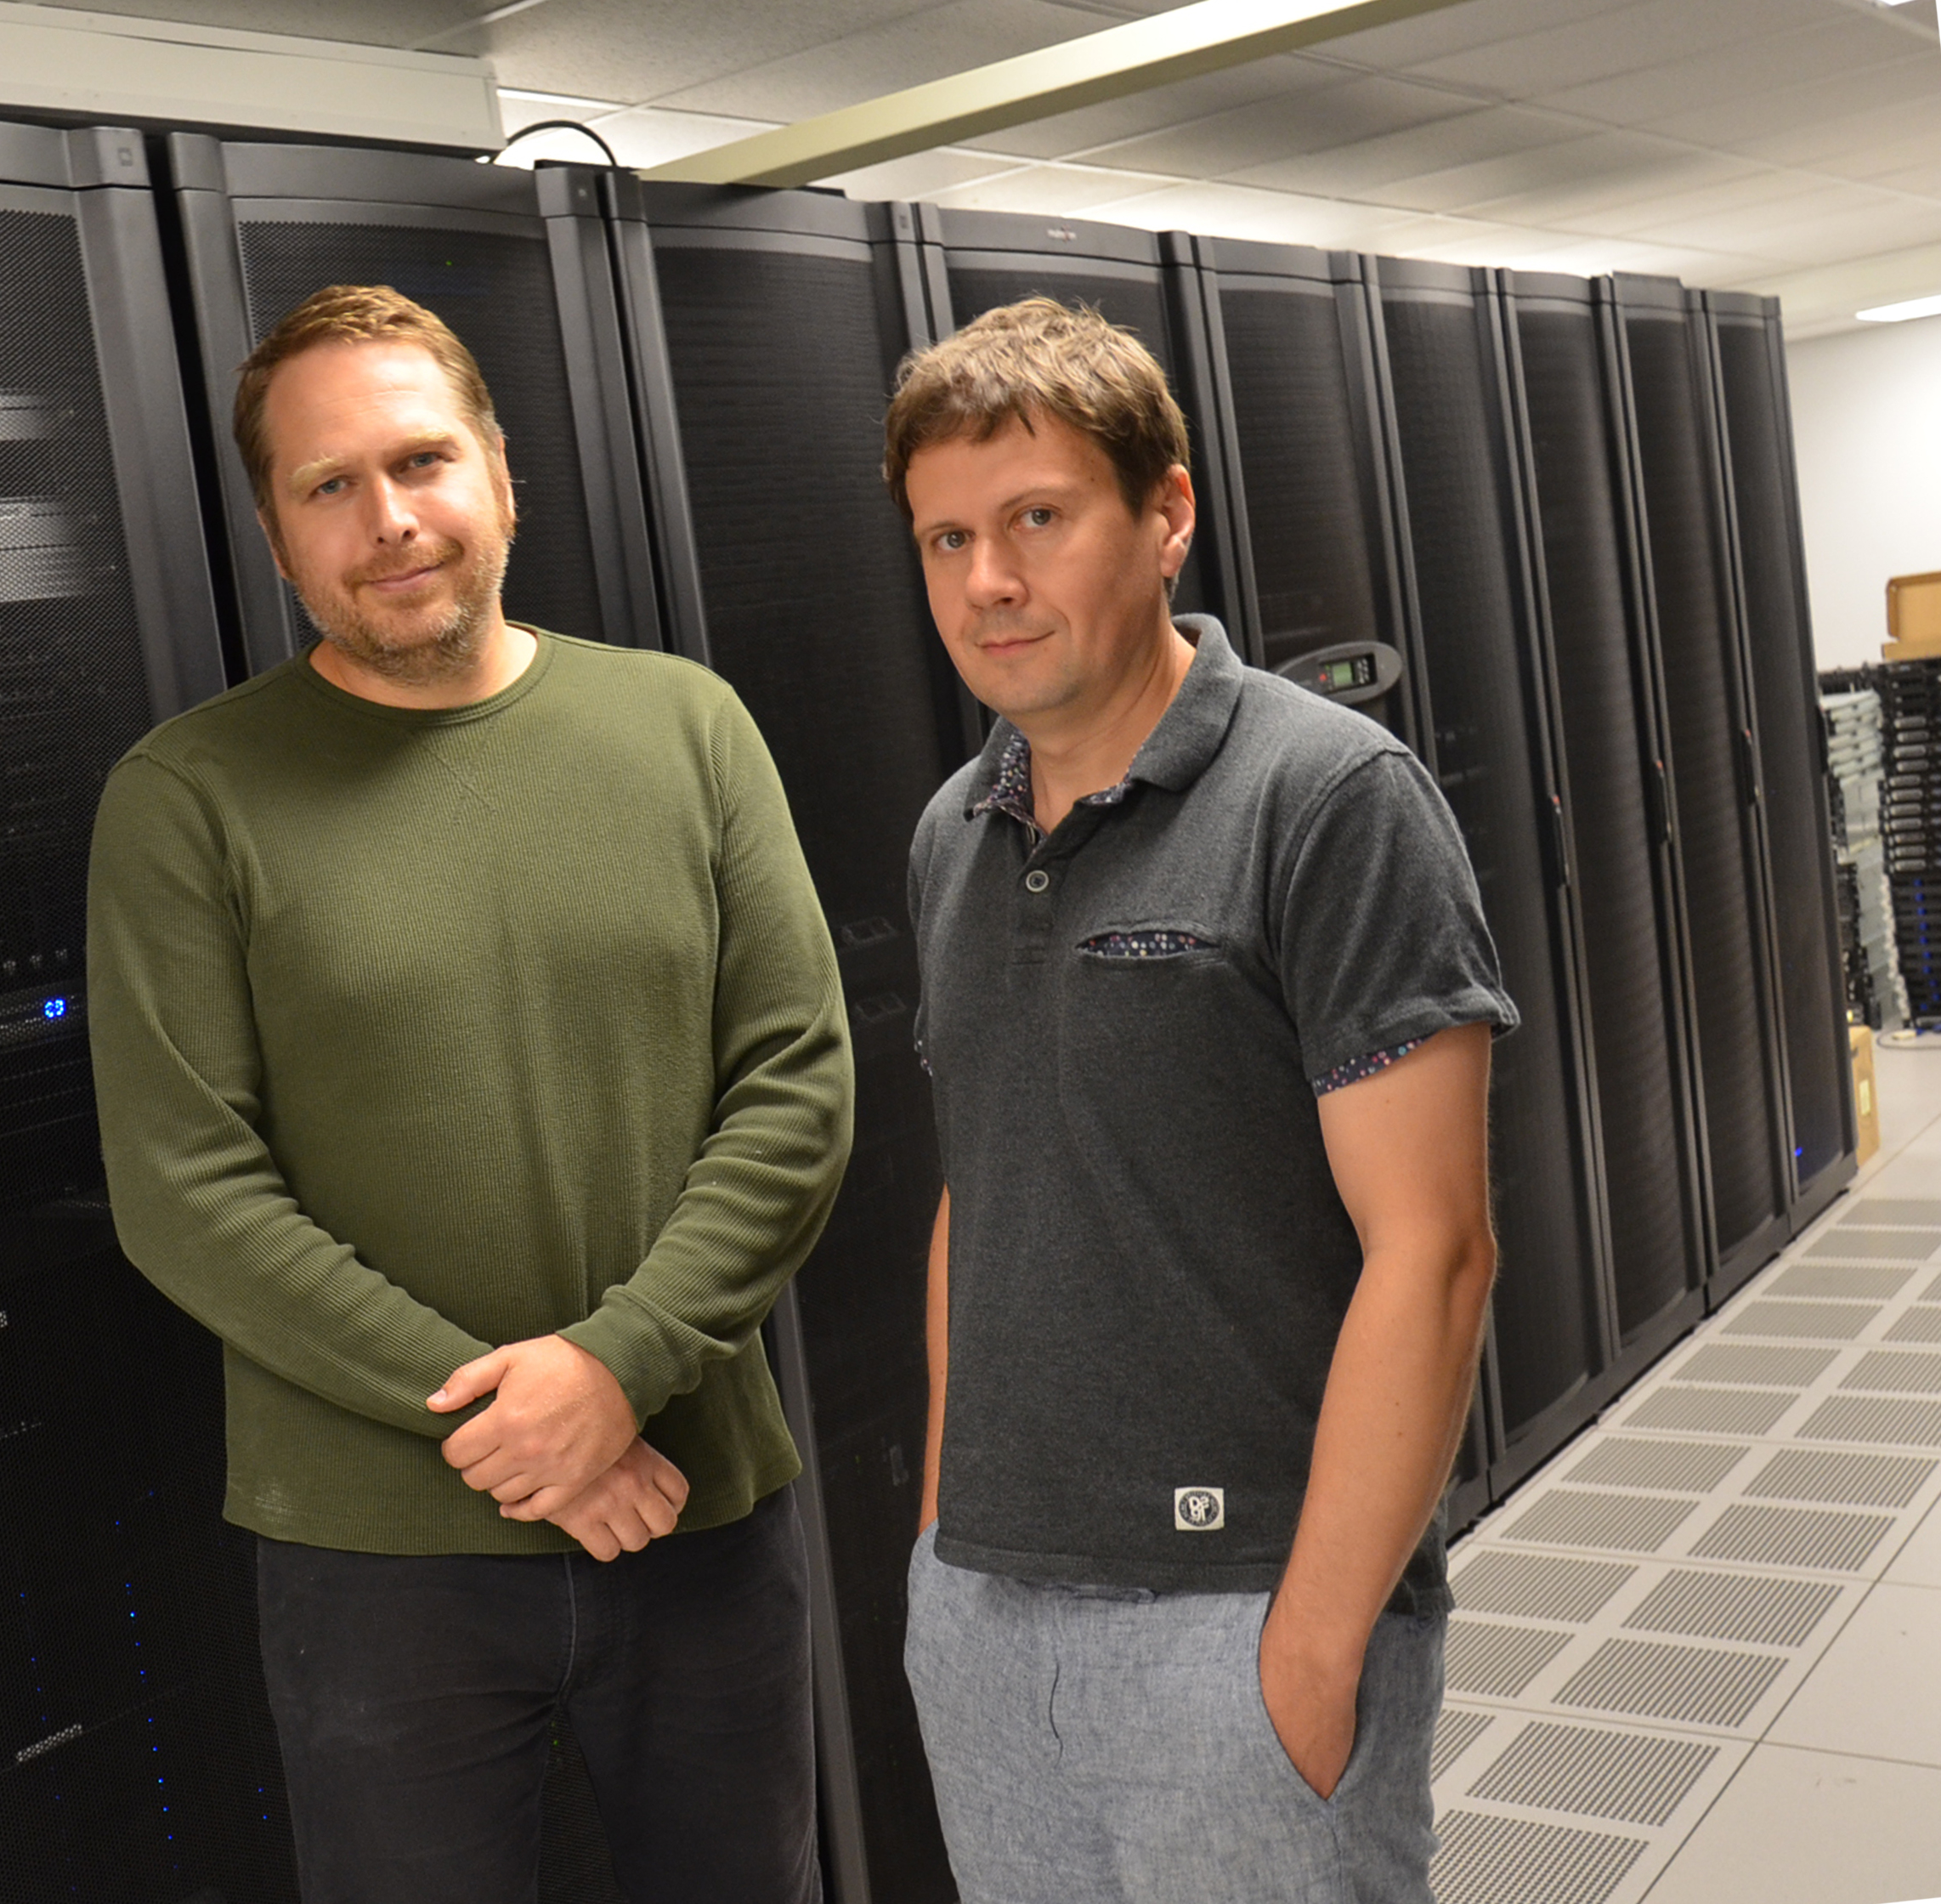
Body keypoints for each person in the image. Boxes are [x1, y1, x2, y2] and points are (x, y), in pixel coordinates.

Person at [84, 283, 851, 1904]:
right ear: (280, 539)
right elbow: (186, 1192)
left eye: (422, 462)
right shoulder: (187, 800)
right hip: (377, 1571)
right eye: (328, 486)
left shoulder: (686, 726)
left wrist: (621, 1368)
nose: (390, 521)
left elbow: (796, 1087)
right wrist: (535, 1422)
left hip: (700, 1517)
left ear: (500, 473)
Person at [893, 296, 1513, 1901]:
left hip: (1236, 1616)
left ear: (1165, 516)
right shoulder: (952, 834)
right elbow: (986, 1187)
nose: (990, 581)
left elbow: (1432, 1253)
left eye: (1038, 518)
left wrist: (1308, 1651)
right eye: (947, 537)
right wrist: (944, 1538)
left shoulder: (1330, 799)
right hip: (985, 1612)